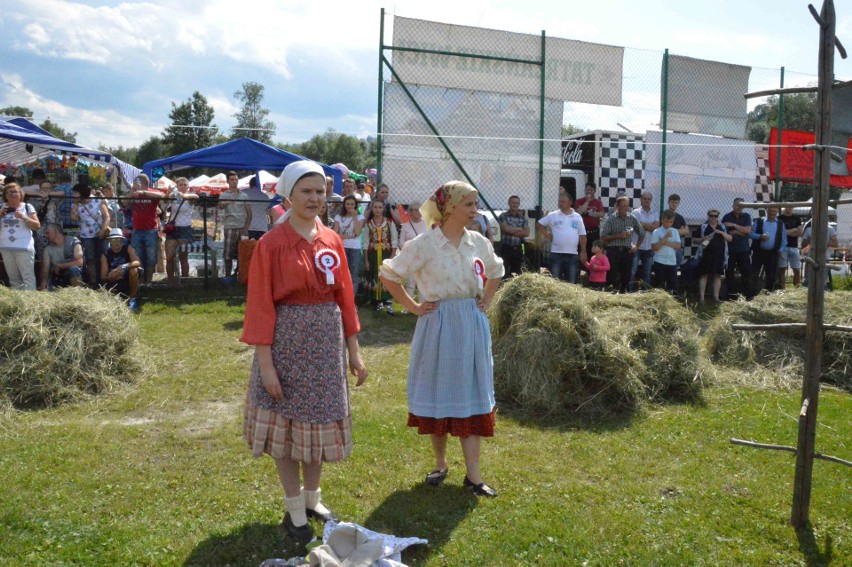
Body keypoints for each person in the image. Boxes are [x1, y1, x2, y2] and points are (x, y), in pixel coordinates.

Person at [240, 160, 367, 542]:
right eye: (306, 191)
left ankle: (313, 499)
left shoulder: (331, 239)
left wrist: (354, 351)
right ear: (289, 195)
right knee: (288, 430)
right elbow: (261, 305)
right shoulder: (271, 244)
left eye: (320, 192)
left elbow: (345, 298)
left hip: (326, 347)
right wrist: (266, 365)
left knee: (318, 426)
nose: (314, 198)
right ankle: (294, 507)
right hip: (287, 346)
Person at [380, 180, 504, 498]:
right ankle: (440, 464)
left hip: (470, 325)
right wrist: (414, 307)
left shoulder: (478, 241)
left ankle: (474, 476)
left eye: (475, 204)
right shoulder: (425, 244)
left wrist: (486, 302)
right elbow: (391, 275)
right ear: (449, 207)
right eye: (469, 204)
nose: (475, 210)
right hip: (438, 324)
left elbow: (496, 271)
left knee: (470, 392)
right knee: (438, 393)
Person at [537, 192, 587, 283]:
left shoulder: (577, 217)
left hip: (572, 254)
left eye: (563, 202)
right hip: (557, 254)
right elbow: (539, 224)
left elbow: (582, 235)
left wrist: (583, 251)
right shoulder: (553, 215)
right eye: (559, 202)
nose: (560, 204)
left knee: (572, 282)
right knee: (555, 281)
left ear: (570, 202)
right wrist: (549, 235)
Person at [23, 179, 64, 289]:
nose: (46, 190)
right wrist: (39, 194)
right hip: (41, 233)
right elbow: (23, 192)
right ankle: (44, 283)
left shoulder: (54, 199)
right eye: (44, 188)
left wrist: (48, 194)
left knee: (57, 258)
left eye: (48, 188)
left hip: (55, 232)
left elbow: (62, 193)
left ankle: (56, 283)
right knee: (43, 258)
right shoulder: (34, 200)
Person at [600, 195, 644, 293]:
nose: (626, 208)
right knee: (612, 275)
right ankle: (612, 293)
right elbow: (603, 238)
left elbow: (642, 233)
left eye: (627, 206)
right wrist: (618, 236)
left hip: (627, 251)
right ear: (617, 206)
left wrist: (636, 246)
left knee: (626, 276)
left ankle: (623, 294)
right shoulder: (611, 219)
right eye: (624, 206)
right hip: (613, 250)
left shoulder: (632, 218)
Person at [125, 174, 164, 285]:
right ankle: (141, 282)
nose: (135, 184)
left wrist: (143, 193)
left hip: (150, 230)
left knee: (151, 258)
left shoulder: (152, 192)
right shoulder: (133, 194)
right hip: (137, 230)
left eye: (137, 182)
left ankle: (148, 282)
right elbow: (125, 203)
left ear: (143, 183)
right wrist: (132, 191)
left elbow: (161, 195)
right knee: (138, 257)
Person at [1, 182, 40, 290]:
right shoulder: (1, 207)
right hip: (6, 247)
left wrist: (24, 217)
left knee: (28, 277)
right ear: (5, 195)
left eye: (15, 192)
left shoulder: (27, 207)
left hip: (24, 248)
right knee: (13, 278)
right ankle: (18, 303)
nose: (13, 194)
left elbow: (37, 226)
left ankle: (30, 303)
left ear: (20, 194)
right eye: (10, 192)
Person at [70, 182, 110, 287]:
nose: (73, 195)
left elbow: (106, 217)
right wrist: (75, 204)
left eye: (75, 193)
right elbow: (74, 218)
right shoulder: (76, 204)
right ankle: (93, 283)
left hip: (100, 233)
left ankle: (104, 281)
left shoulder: (98, 200)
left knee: (102, 257)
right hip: (86, 235)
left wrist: (103, 230)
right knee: (90, 259)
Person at [363, 199, 398, 314]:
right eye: (375, 207)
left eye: (380, 207)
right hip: (373, 254)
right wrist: (366, 260)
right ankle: (378, 301)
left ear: (383, 209)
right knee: (375, 274)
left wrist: (392, 257)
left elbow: (394, 240)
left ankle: (388, 301)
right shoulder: (369, 224)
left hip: (386, 253)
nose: (377, 210)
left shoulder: (389, 222)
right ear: (372, 209)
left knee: (387, 275)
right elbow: (366, 242)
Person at [164, 177, 199, 286]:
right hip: (173, 229)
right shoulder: (173, 196)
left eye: (185, 185)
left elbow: (196, 196)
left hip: (185, 229)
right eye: (181, 185)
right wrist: (168, 193)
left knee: (183, 257)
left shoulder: (190, 197)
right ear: (177, 186)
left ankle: (184, 282)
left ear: (188, 186)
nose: (183, 186)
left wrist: (182, 195)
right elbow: (164, 201)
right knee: (169, 257)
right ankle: (170, 282)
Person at [218, 171, 252, 282]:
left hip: (242, 228)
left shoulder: (244, 195)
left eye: (236, 179)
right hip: (229, 227)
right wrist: (228, 201)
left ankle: (240, 276)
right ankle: (228, 277)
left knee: (242, 253)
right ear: (227, 181)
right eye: (232, 179)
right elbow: (220, 206)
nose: (234, 181)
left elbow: (249, 213)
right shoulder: (224, 195)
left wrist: (246, 228)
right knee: (228, 254)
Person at [396, 200, 428, 312]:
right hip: (410, 257)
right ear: (410, 212)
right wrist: (410, 248)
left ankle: (422, 305)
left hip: (424, 257)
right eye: (413, 210)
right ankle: (408, 307)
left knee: (423, 282)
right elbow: (401, 243)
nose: (416, 212)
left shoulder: (426, 224)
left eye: (418, 210)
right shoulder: (405, 226)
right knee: (410, 282)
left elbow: (430, 240)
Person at [696, 209, 732, 303]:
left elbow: (730, 238)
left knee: (717, 276)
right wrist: (704, 238)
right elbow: (695, 240)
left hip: (719, 255)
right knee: (704, 275)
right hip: (705, 254)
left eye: (715, 216)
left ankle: (716, 297)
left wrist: (722, 233)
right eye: (711, 216)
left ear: (718, 217)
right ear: (708, 216)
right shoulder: (703, 226)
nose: (713, 218)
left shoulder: (722, 227)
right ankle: (702, 298)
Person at [101, 228, 141, 312]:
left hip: (128, 277)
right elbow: (103, 276)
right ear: (110, 241)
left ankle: (133, 298)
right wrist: (111, 274)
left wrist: (124, 266)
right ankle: (115, 296)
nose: (116, 243)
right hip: (114, 280)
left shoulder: (127, 248)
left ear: (122, 241)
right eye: (114, 240)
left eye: (119, 240)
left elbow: (137, 262)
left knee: (134, 270)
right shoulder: (105, 254)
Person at [722, 197, 753, 300]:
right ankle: (730, 296)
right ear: (733, 205)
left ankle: (747, 296)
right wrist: (740, 231)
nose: (739, 207)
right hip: (730, 250)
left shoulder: (747, 216)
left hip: (744, 250)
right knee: (729, 274)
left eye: (741, 205)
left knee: (746, 273)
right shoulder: (726, 217)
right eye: (737, 204)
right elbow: (726, 233)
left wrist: (734, 226)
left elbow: (748, 231)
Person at [333, 194, 364, 298]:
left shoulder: (360, 217)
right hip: (342, 246)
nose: (349, 206)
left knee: (353, 274)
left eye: (352, 204)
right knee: (341, 272)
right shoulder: (338, 217)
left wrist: (354, 217)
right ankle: (342, 297)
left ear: (355, 205)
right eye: (347, 204)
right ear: (344, 205)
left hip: (354, 248)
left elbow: (358, 232)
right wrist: (351, 235)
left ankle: (351, 299)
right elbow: (335, 233)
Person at [750, 206, 786, 293]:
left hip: (773, 253)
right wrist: (760, 236)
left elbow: (784, 239)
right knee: (754, 273)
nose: (772, 213)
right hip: (758, 252)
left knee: (771, 275)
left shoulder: (781, 223)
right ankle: (752, 293)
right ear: (767, 211)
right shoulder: (759, 221)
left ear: (777, 212)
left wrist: (781, 250)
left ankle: (768, 293)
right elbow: (750, 234)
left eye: (774, 211)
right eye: (770, 211)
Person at [629, 191, 659, 291]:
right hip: (636, 246)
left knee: (647, 272)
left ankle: (646, 293)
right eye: (645, 198)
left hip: (649, 247)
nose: (647, 201)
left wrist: (642, 224)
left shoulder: (655, 213)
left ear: (651, 200)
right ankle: (628, 291)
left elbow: (656, 228)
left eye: (648, 199)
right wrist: (649, 225)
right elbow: (636, 227)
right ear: (641, 199)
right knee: (632, 271)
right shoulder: (635, 212)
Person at [39, 223, 84, 290]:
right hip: (59, 278)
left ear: (55, 231)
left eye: (48, 233)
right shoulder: (48, 249)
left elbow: (79, 262)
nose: (46, 236)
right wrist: (44, 281)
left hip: (74, 275)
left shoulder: (74, 241)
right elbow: (46, 269)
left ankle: (78, 292)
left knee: (74, 269)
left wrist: (59, 266)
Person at [801, 220, 839, 290]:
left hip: (824, 257)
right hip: (811, 258)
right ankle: (806, 293)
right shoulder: (809, 230)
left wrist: (823, 243)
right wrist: (809, 243)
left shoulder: (830, 229)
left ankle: (823, 293)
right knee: (808, 279)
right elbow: (803, 244)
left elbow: (835, 243)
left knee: (822, 280)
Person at [497, 195, 529, 279]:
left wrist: (511, 230)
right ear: (509, 203)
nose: (515, 205)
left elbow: (526, 233)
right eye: (513, 203)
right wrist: (519, 229)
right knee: (503, 271)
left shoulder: (523, 218)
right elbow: (505, 229)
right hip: (506, 248)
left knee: (516, 272)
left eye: (517, 203)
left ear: (519, 204)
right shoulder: (503, 216)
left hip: (518, 249)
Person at [650, 210, 681, 294]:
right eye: (666, 221)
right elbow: (655, 248)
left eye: (671, 222)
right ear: (662, 220)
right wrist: (665, 237)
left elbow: (678, 246)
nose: (668, 224)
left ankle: (673, 302)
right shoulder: (657, 232)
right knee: (659, 286)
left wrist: (665, 242)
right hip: (660, 261)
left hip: (672, 262)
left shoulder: (675, 231)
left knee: (673, 285)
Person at [575, 182, 604, 259]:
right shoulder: (580, 201)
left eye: (591, 190)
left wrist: (593, 214)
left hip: (594, 232)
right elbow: (579, 212)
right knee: (582, 251)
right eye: (587, 190)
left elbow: (602, 213)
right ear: (585, 190)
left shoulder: (598, 202)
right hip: (582, 231)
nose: (589, 192)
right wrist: (587, 201)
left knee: (594, 253)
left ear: (594, 191)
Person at [777, 206, 803, 289]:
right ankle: (783, 290)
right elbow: (780, 233)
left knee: (797, 270)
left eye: (791, 206)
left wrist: (788, 232)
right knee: (782, 269)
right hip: (782, 247)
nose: (790, 208)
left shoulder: (797, 218)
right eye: (788, 206)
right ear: (784, 207)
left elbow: (800, 232)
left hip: (794, 247)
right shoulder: (779, 218)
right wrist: (794, 229)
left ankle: (796, 290)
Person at [666, 194, 689, 280]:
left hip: (677, 248)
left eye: (676, 203)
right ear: (668, 202)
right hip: (665, 246)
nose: (674, 204)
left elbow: (686, 231)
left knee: (674, 270)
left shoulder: (680, 217)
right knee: (664, 269)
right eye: (672, 202)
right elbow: (662, 231)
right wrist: (679, 231)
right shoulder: (663, 215)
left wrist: (672, 231)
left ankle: (672, 290)